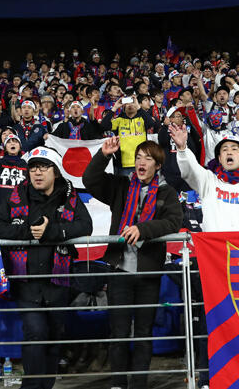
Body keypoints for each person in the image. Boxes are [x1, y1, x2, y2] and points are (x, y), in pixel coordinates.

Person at [0, 147, 92, 389]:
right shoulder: (16, 195)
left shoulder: (69, 195)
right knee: (35, 333)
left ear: (55, 172)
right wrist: (28, 232)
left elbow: (85, 226)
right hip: (26, 282)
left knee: (54, 337)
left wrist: (52, 232)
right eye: (33, 167)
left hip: (58, 282)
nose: (37, 172)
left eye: (43, 167)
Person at [82, 138, 181, 389]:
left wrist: (142, 229)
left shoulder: (167, 192)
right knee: (119, 332)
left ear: (158, 165)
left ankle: (139, 384)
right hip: (119, 270)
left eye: (148, 158)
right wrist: (103, 155)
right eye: (138, 157)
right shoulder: (121, 185)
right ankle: (118, 384)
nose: (141, 162)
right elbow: (90, 180)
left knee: (144, 333)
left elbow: (173, 222)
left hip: (149, 273)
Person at [170, 126, 239, 234]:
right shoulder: (208, 180)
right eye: (224, 150)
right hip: (214, 244)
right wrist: (182, 148)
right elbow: (190, 169)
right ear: (220, 159)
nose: (229, 152)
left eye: (234, 149)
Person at [100, 95, 156, 176]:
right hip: (124, 165)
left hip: (142, 162)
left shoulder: (142, 119)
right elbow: (103, 126)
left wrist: (138, 107)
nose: (130, 105)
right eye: (127, 103)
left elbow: (151, 123)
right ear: (123, 106)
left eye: (132, 102)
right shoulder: (119, 120)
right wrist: (114, 108)